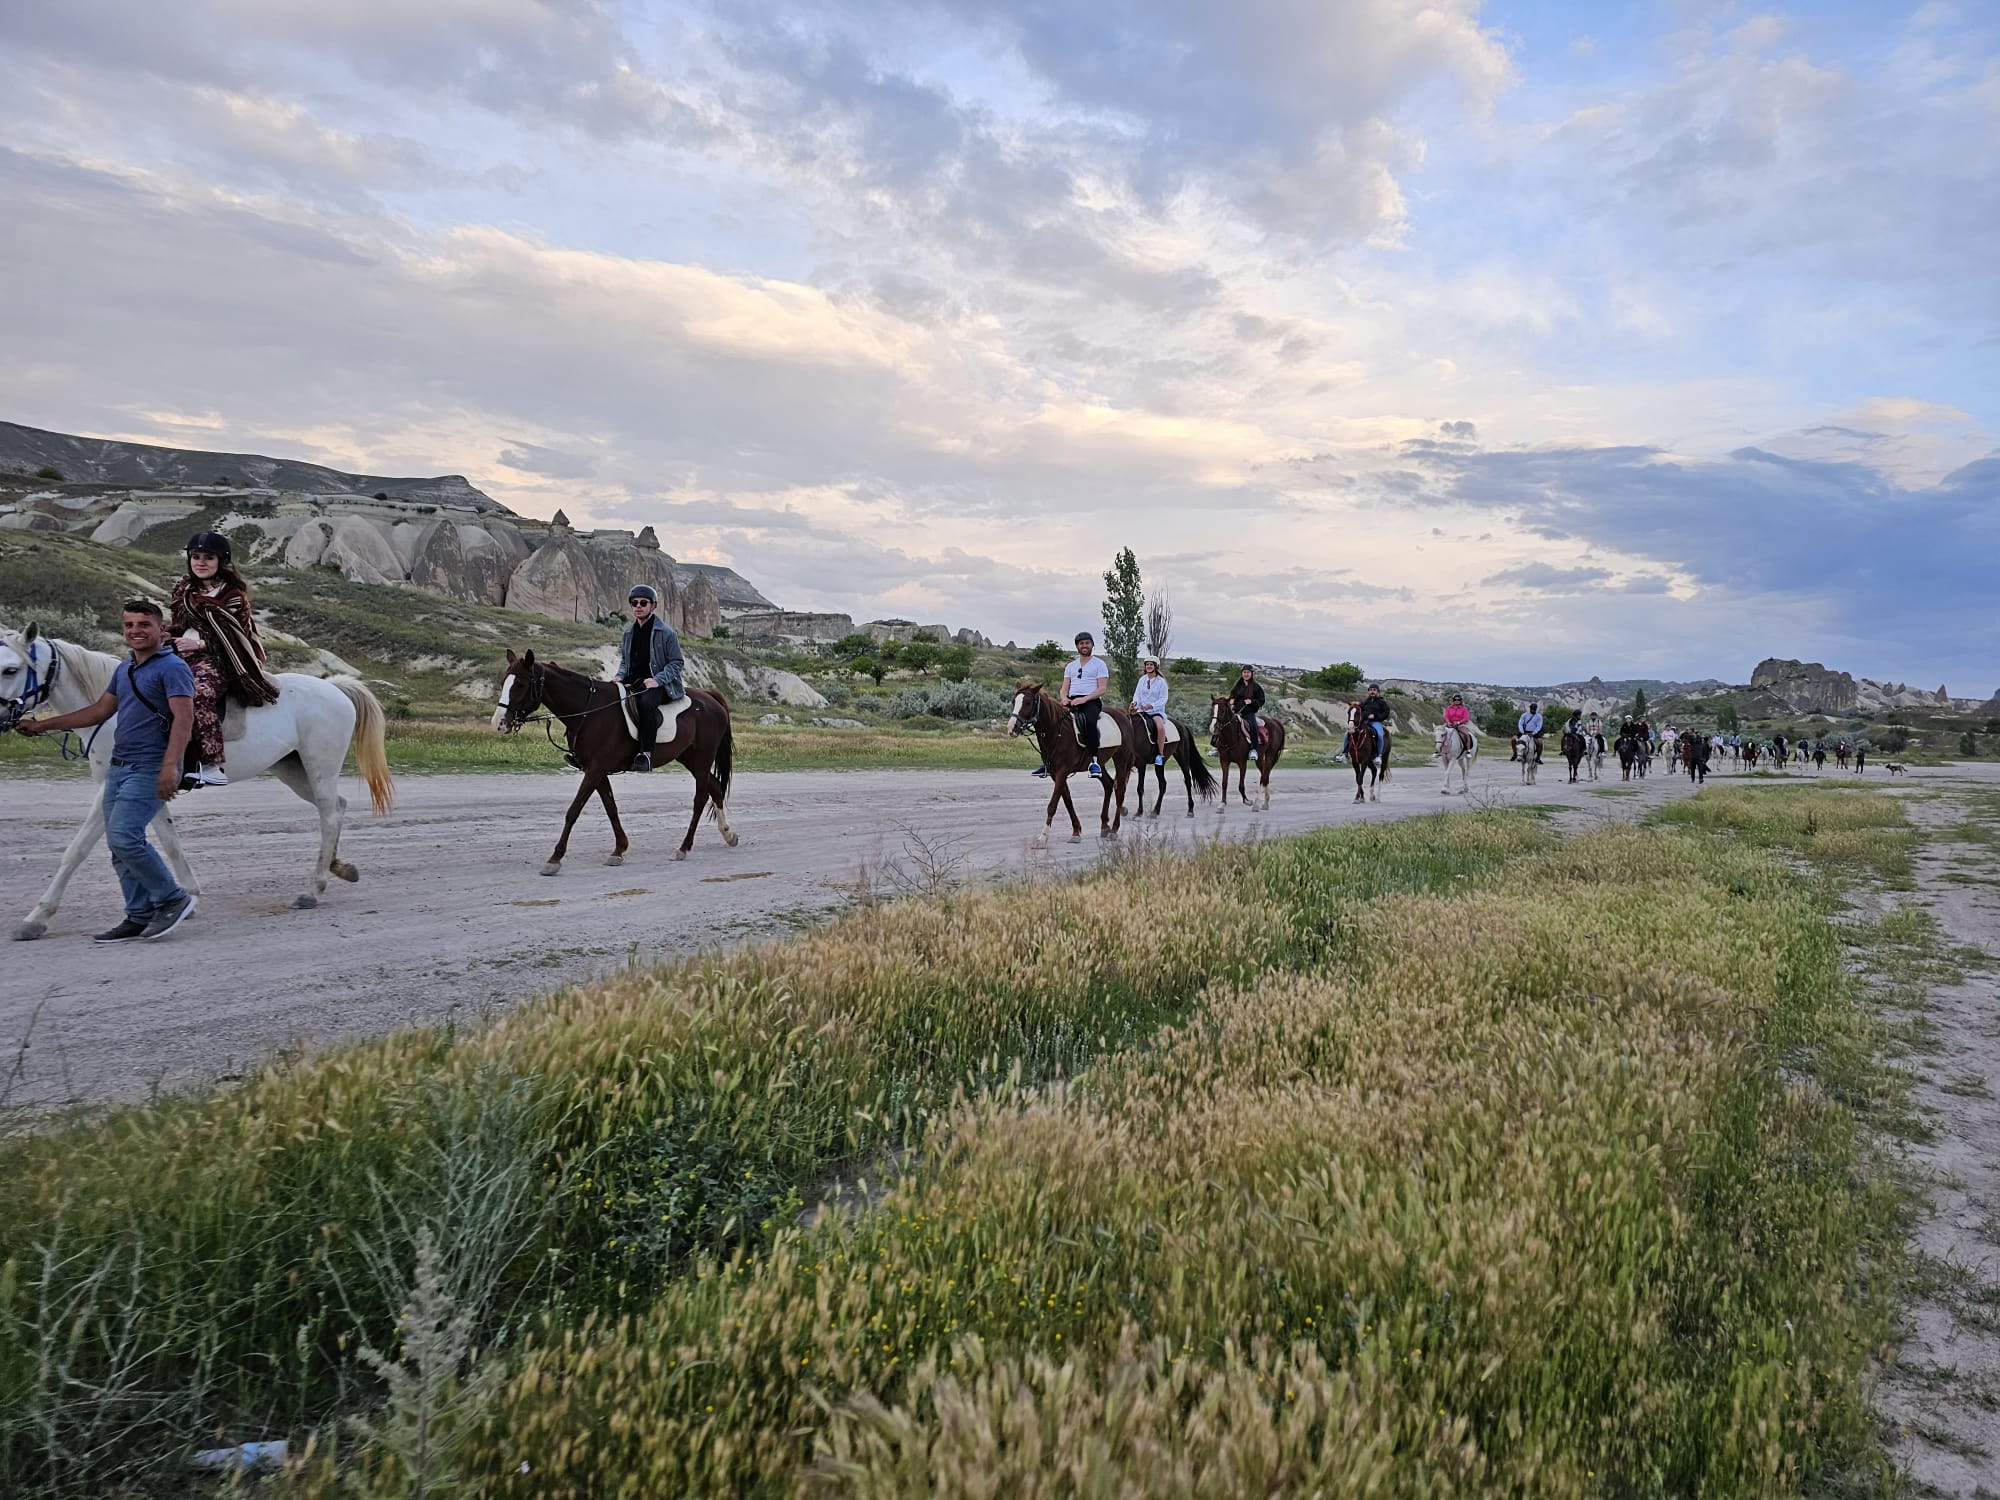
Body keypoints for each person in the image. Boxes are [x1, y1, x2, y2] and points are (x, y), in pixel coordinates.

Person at [17, 600, 199, 941]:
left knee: (125, 837)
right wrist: (44, 725)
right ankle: (139, 913)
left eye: (144, 624)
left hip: (149, 766)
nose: (135, 631)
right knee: (118, 845)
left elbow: (184, 720)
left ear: (162, 629)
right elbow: (99, 711)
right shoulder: (126, 668)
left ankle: (173, 899)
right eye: (129, 625)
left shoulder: (172, 668)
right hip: (119, 766)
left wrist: (169, 767)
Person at [169, 531, 278, 789]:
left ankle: (211, 764)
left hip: (220, 658)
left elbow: (236, 636)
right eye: (195, 556)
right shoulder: (184, 589)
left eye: (208, 557)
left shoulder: (232, 596)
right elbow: (179, 625)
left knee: (198, 693)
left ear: (221, 562)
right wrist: (166, 634)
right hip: (182, 652)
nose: (201, 562)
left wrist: (198, 644)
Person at [616, 584, 683, 773]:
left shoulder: (667, 633)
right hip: (632, 682)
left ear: (653, 606)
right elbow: (624, 661)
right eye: (634, 602)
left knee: (646, 703)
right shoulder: (628, 632)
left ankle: (646, 754)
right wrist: (619, 676)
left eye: (643, 602)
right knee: (608, 698)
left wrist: (657, 680)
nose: (638, 606)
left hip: (660, 685)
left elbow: (677, 663)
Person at [1063, 631, 1109, 776]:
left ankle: (1094, 762)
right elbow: (1064, 687)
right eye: (1081, 643)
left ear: (1092, 645)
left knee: (1090, 723)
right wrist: (1064, 698)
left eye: (1087, 643)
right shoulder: (1071, 666)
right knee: (1054, 721)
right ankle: (1048, 761)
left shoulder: (1099, 664)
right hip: (1072, 699)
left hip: (1091, 701)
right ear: (1077, 646)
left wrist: (1084, 699)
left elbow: (1102, 688)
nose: (1084, 646)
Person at [1129, 653, 1169, 766]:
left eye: (1151, 665)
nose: (1149, 666)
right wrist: (1134, 704)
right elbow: (1137, 695)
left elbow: (1163, 699)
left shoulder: (1161, 682)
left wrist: (1151, 706)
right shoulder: (1142, 680)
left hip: (1156, 712)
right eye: (1147, 665)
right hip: (1142, 711)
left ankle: (1160, 754)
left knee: (1160, 728)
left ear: (1156, 666)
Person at [1230, 666, 1265, 761]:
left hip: (1248, 712)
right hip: (1236, 711)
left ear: (1251, 674)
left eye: (1248, 672)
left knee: (1253, 725)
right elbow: (1232, 696)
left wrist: (1252, 701)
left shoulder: (1256, 687)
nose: (1246, 674)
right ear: (1241, 673)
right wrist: (1231, 700)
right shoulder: (1237, 686)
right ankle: (1217, 746)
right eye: (1244, 672)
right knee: (1222, 723)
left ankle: (1253, 749)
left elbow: (1261, 700)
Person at [1358, 682, 1392, 761]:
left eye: (1374, 690)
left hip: (1376, 722)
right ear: (1368, 691)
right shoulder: (1365, 702)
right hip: (1365, 722)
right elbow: (1360, 711)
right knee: (1349, 733)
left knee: (1380, 735)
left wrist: (1375, 716)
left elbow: (1386, 713)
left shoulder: (1382, 702)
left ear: (1378, 692)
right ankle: (1344, 753)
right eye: (1370, 690)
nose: (1372, 691)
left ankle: (1379, 755)